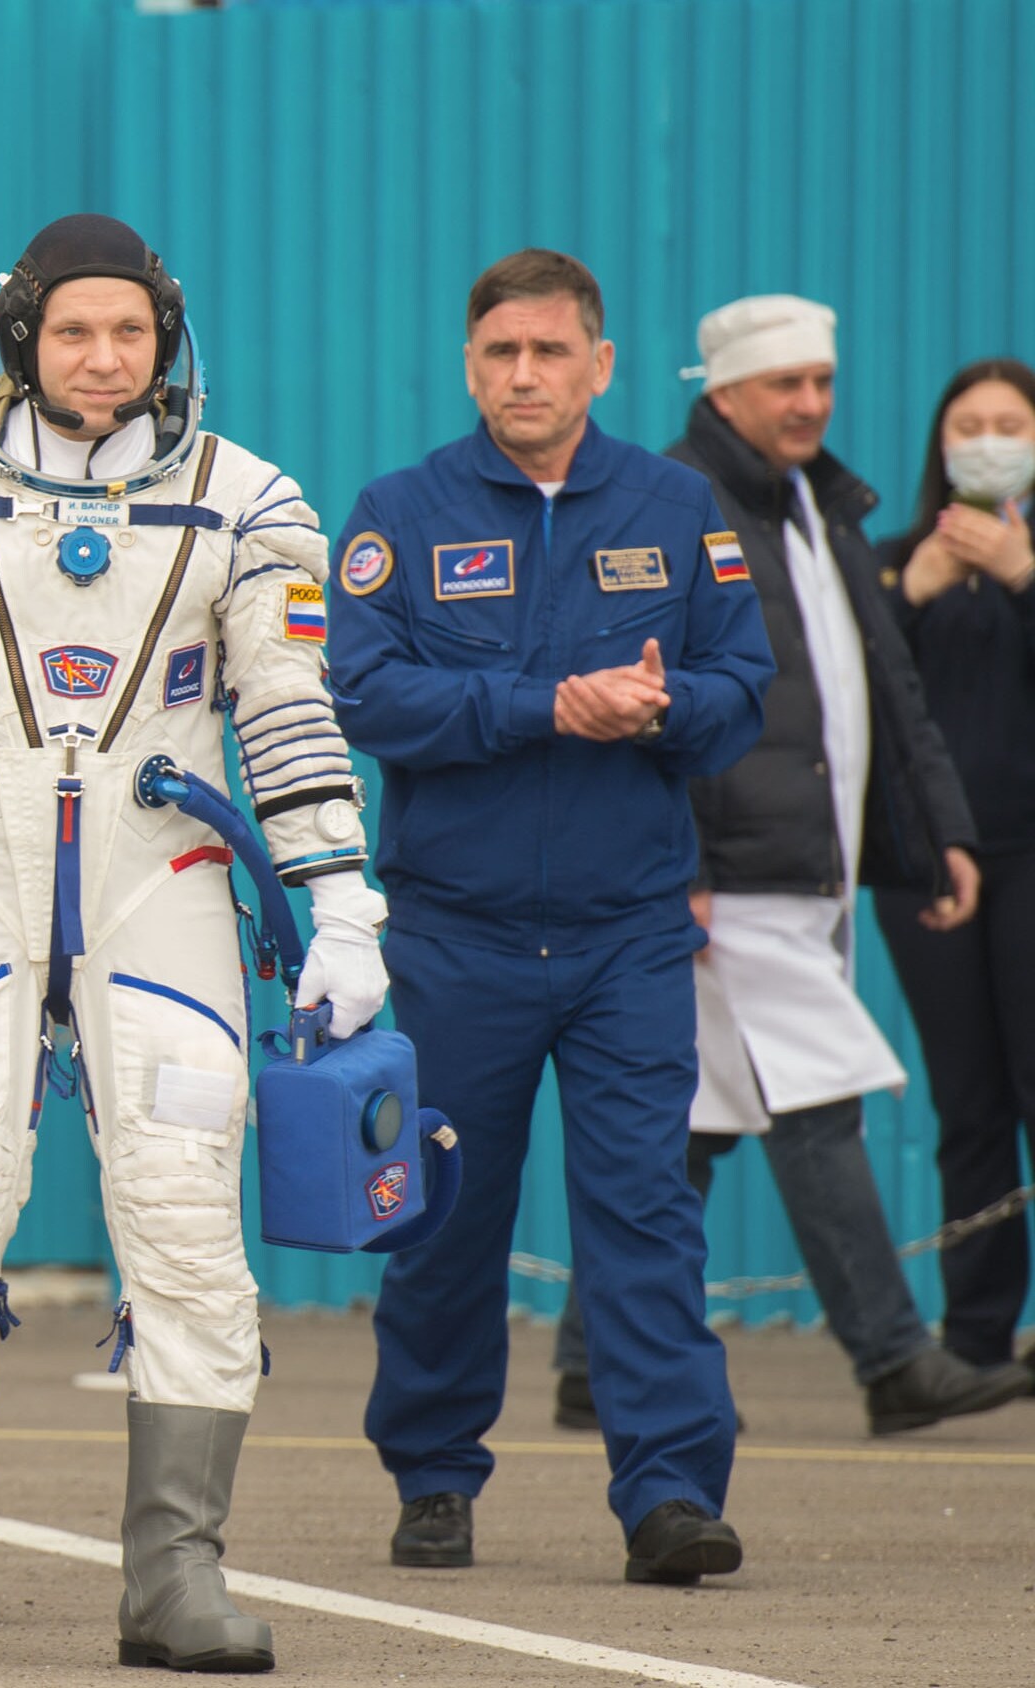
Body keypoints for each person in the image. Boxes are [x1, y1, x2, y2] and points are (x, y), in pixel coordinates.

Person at [0, 213, 386, 1672]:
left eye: (131, 333)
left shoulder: (252, 501)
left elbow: (291, 716)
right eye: (72, 333)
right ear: (19, 342)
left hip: (158, 885)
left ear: (167, 342)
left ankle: (176, 1568)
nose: (104, 361)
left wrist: (343, 897)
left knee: (184, 1225)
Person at [333, 250, 775, 1587]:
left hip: (627, 935)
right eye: (500, 355)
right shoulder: (399, 514)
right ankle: (433, 1478)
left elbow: (743, 690)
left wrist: (662, 709)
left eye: (549, 352)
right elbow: (366, 693)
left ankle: (670, 1494)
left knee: (643, 1209)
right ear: (472, 367)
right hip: (456, 938)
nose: (524, 376)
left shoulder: (679, 506)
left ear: (601, 364)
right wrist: (544, 705)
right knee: (447, 1215)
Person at [552, 296, 1022, 1437]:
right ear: (723, 393)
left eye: (822, 379)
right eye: (785, 386)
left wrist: (934, 832)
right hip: (730, 871)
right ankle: (895, 1357)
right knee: (815, 1099)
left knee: (698, 1120)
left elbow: (885, 693)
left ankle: (586, 1355)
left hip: (802, 869)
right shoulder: (670, 499)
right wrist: (681, 860)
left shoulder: (824, 505)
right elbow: (654, 689)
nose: (811, 403)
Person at [873, 357, 1035, 1377]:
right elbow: (853, 704)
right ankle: (976, 1333)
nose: (985, 438)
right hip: (926, 866)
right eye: (966, 422)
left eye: (1008, 422)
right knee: (968, 1101)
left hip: (1030, 855)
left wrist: (1022, 577)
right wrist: (906, 596)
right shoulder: (893, 563)